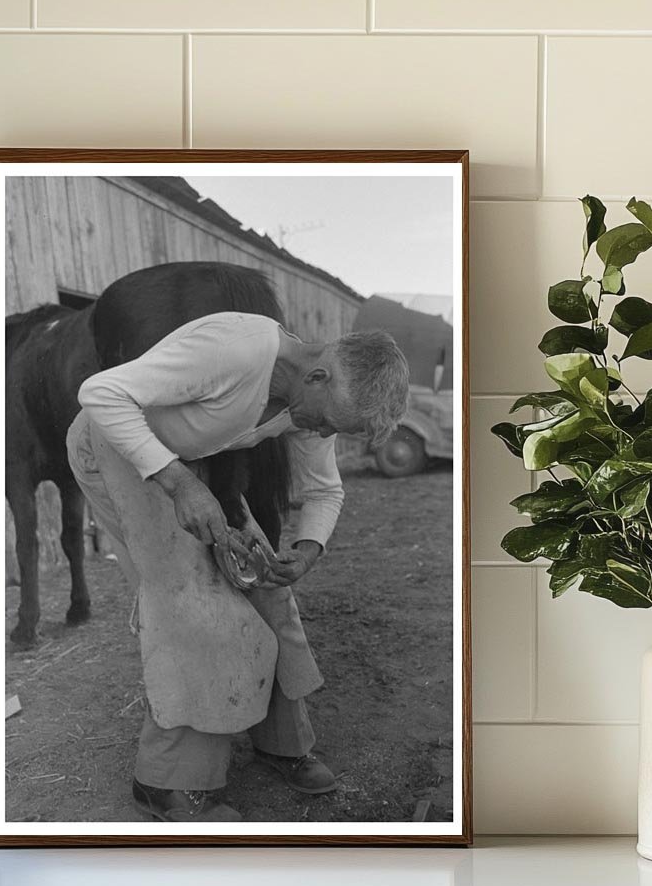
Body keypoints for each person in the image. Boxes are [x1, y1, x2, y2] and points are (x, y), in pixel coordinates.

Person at [66, 310, 409, 822]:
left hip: (192, 461)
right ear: (318, 376)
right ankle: (163, 782)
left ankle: (279, 743)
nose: (318, 432)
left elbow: (324, 489)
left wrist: (309, 548)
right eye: (326, 421)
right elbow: (100, 393)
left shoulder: (314, 398)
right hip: (117, 445)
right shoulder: (237, 349)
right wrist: (180, 484)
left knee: (268, 591)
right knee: (192, 603)